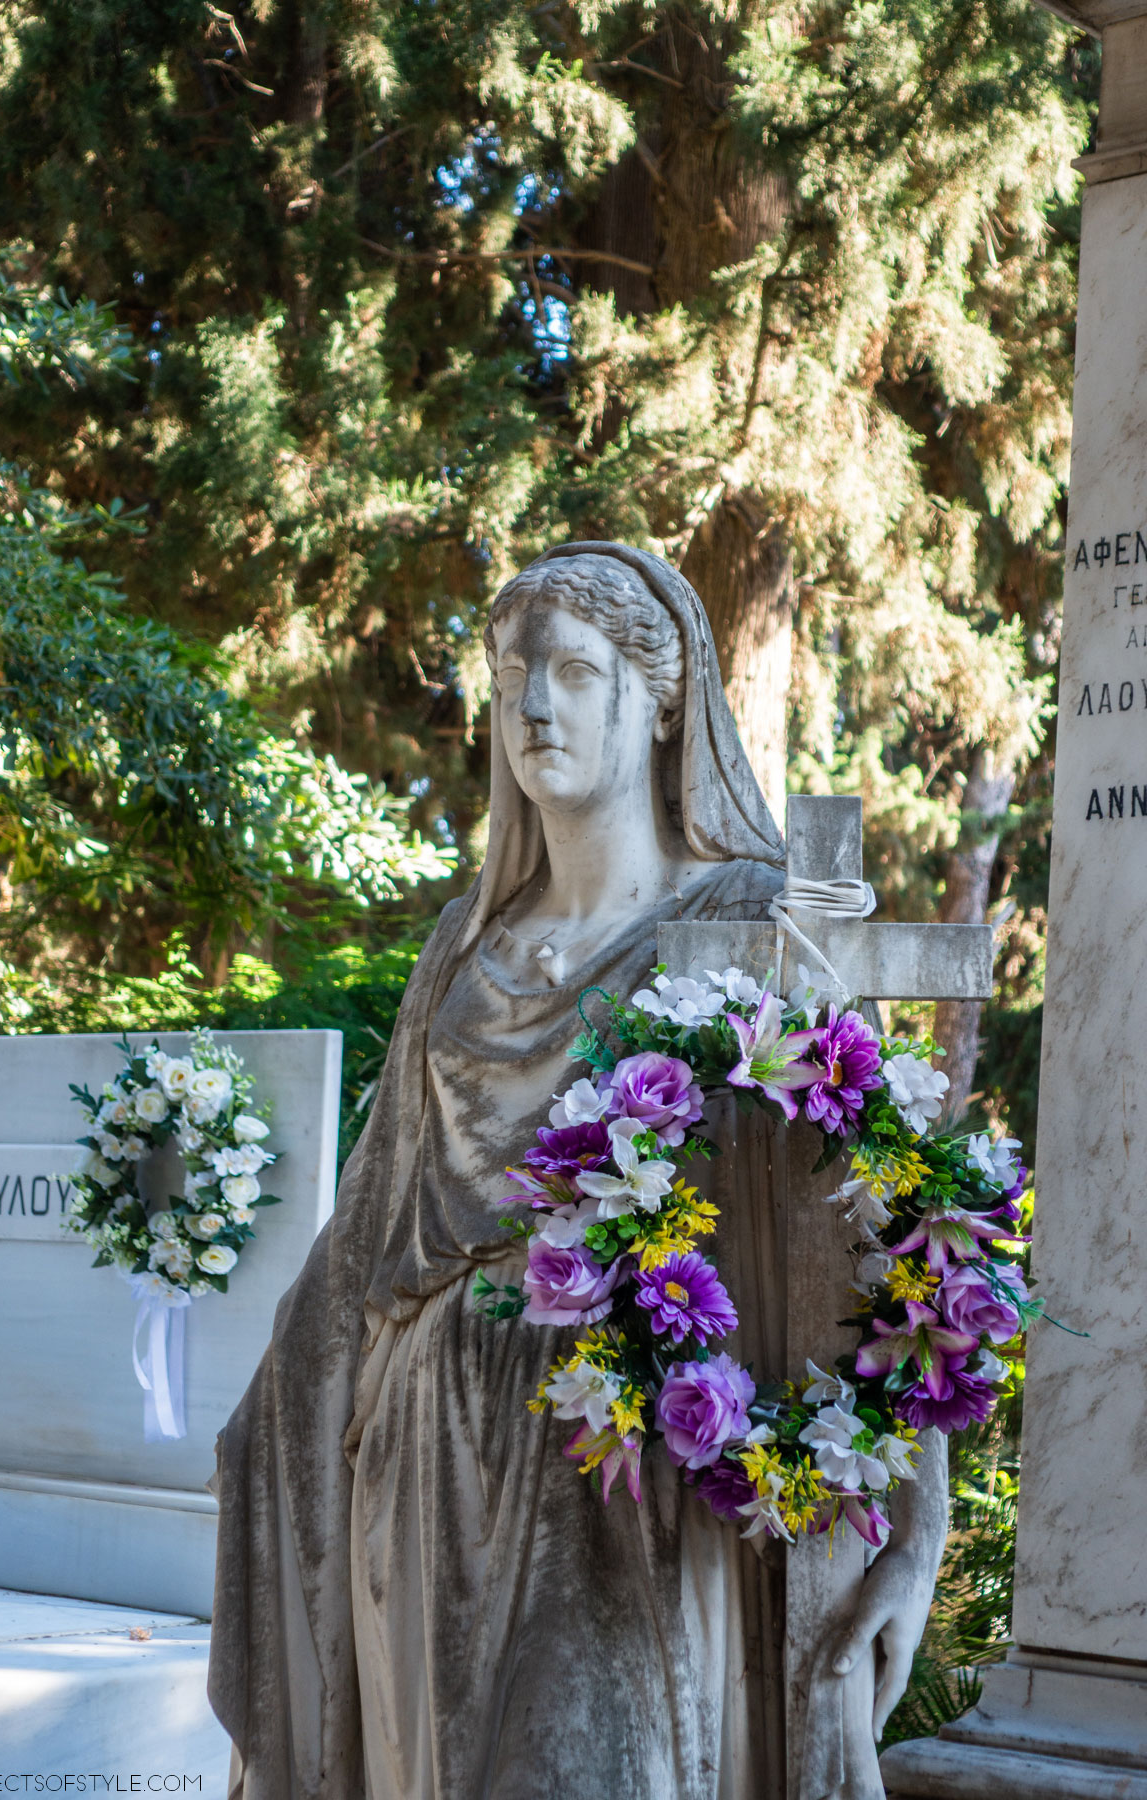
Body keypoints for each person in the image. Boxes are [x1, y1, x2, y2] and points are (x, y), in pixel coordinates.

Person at [208, 543, 945, 1799]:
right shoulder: (468, 940)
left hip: (627, 1477)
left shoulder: (750, 920)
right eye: (510, 677)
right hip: (426, 1457)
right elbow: (377, 1210)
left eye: (570, 672)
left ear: (660, 703)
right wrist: (273, 1427)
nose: (533, 705)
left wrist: (911, 1539)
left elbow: (878, 1238)